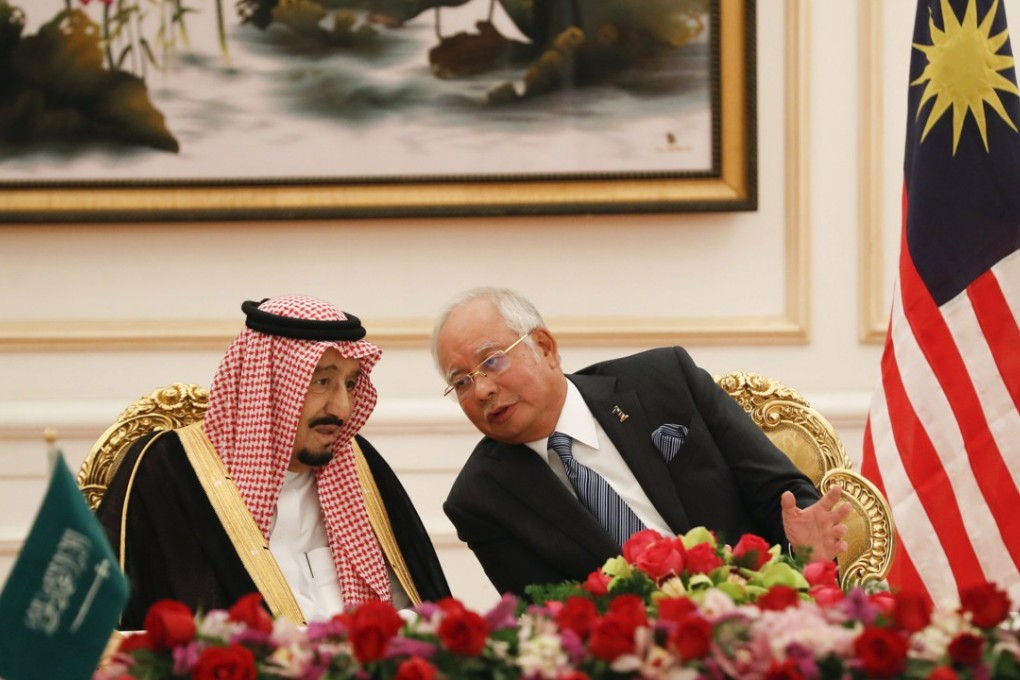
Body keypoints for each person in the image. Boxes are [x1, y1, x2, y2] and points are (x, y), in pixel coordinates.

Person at [432, 287, 851, 597]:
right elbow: (545, 615)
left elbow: (782, 497)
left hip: (760, 616)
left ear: (544, 347)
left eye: (492, 361)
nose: (482, 390)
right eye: (461, 382)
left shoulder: (664, 382)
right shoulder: (481, 500)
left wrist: (802, 549)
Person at [99, 295, 450, 629]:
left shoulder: (359, 466)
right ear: (269, 384)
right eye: (322, 382)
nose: (342, 409)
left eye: (351, 384)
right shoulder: (172, 472)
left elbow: (421, 613)